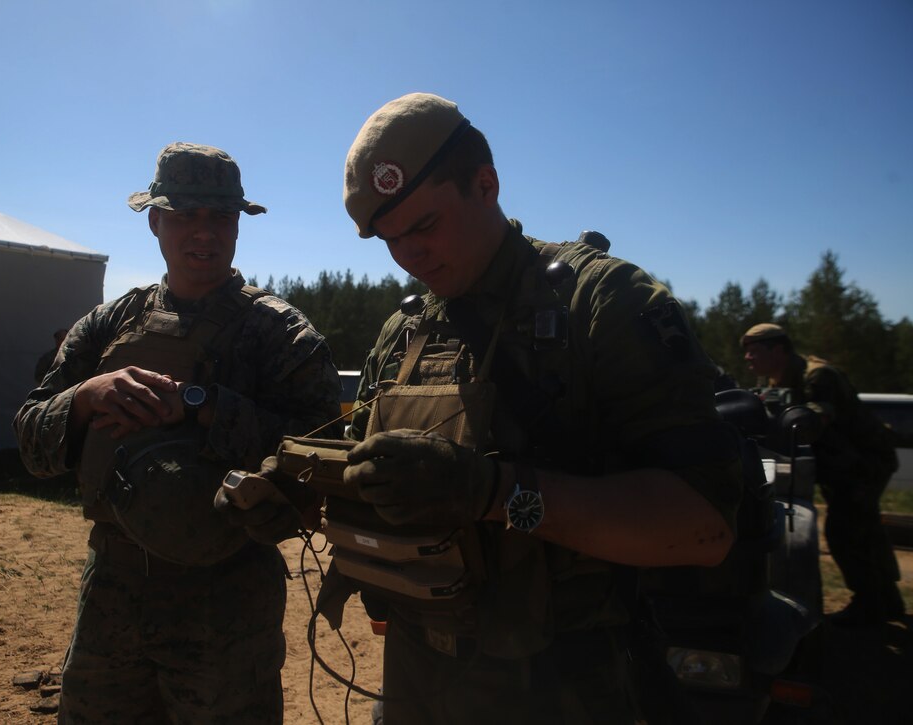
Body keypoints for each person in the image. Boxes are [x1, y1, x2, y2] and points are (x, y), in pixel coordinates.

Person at [232, 93, 743, 724]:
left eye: (424, 226)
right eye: (390, 240)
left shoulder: (601, 306)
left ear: (486, 184)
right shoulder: (405, 331)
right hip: (418, 677)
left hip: (566, 686)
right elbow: (378, 488)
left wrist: (496, 492)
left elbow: (705, 527)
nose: (410, 256)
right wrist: (303, 497)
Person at [13, 142, 342, 724]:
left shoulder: (280, 334)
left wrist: (205, 406)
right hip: (113, 586)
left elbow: (323, 456)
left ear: (238, 226)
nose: (204, 233)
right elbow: (32, 442)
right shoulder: (110, 325)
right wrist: (88, 397)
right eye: (186, 216)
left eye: (220, 217)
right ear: (156, 222)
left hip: (228, 600)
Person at [741, 322, 903, 627]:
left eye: (754, 352)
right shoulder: (778, 381)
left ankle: (870, 605)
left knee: (847, 531)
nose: (748, 359)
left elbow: (818, 411)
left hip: (863, 464)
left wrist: (800, 420)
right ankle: (886, 601)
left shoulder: (817, 374)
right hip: (842, 466)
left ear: (778, 350)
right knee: (864, 529)